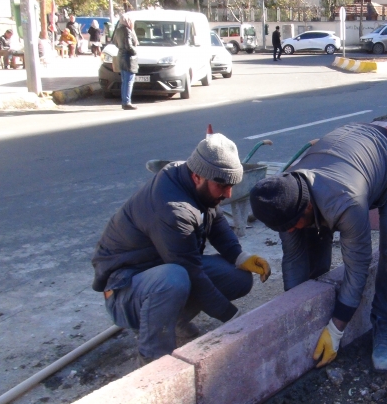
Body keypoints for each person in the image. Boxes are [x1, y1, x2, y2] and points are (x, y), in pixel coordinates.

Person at [249, 122, 387, 372]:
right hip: (348, 159)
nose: (287, 231)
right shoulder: (284, 198)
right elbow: (294, 259)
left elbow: (357, 268)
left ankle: (386, 324)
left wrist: (336, 329)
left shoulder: (345, 202)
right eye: (283, 227)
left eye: (291, 224)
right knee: (310, 236)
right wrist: (295, 318)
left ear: (307, 207)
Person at [91, 133, 271, 365]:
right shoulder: (173, 208)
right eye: (223, 186)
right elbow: (192, 272)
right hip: (125, 290)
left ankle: (173, 320)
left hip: (159, 271)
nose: (228, 194)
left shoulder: (188, 176)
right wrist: (234, 319)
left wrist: (239, 256)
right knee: (175, 278)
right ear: (198, 177)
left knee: (238, 277)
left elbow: (215, 220)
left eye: (232, 186)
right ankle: (152, 359)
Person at [112, 13, 139, 110]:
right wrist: (135, 51)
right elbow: (129, 45)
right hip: (128, 58)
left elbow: (115, 42)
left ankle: (125, 101)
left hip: (121, 57)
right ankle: (127, 102)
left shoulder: (118, 30)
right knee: (129, 81)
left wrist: (121, 48)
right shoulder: (127, 30)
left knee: (125, 81)